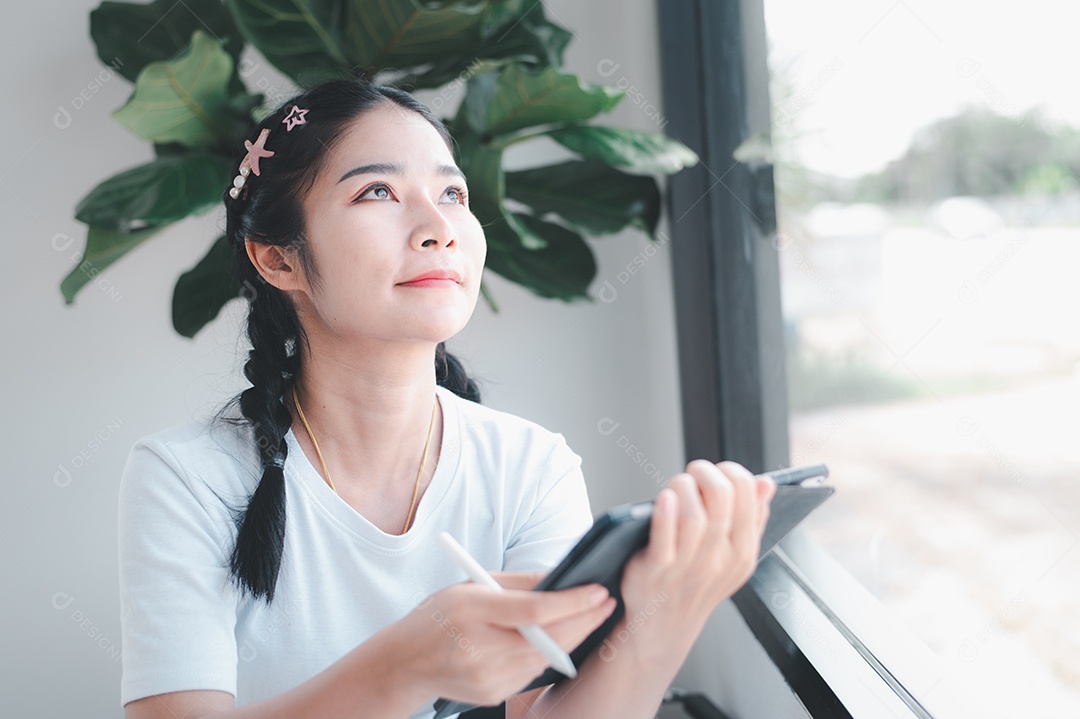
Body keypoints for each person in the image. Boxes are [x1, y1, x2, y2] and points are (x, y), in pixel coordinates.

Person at [117, 76, 777, 719]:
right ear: (278, 260)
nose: (439, 226)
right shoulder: (188, 478)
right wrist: (404, 666)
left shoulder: (531, 467)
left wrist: (663, 622)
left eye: (453, 192)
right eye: (378, 191)